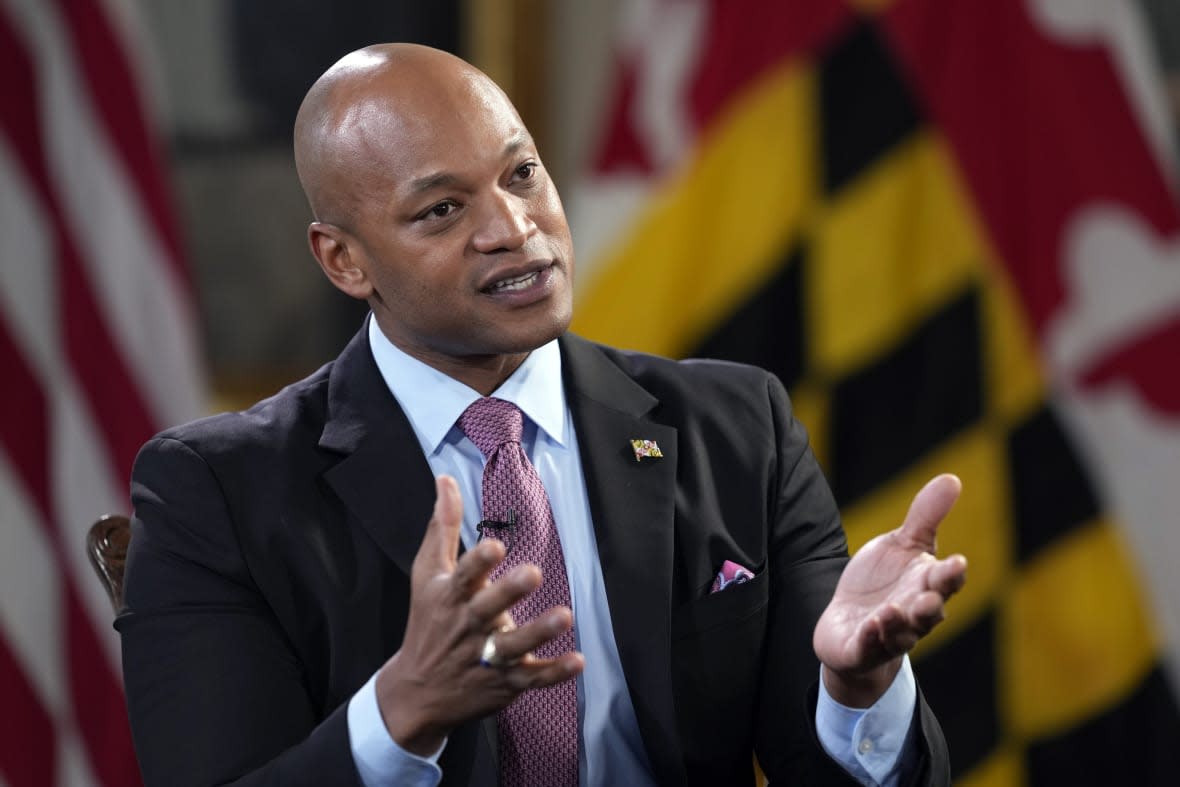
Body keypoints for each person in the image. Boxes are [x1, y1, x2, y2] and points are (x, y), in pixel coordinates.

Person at [117, 43, 968, 787]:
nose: (514, 227)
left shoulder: (737, 426)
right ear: (344, 260)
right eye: (442, 209)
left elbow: (835, 773)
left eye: (521, 173)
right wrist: (402, 709)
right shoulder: (215, 490)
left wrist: (858, 694)